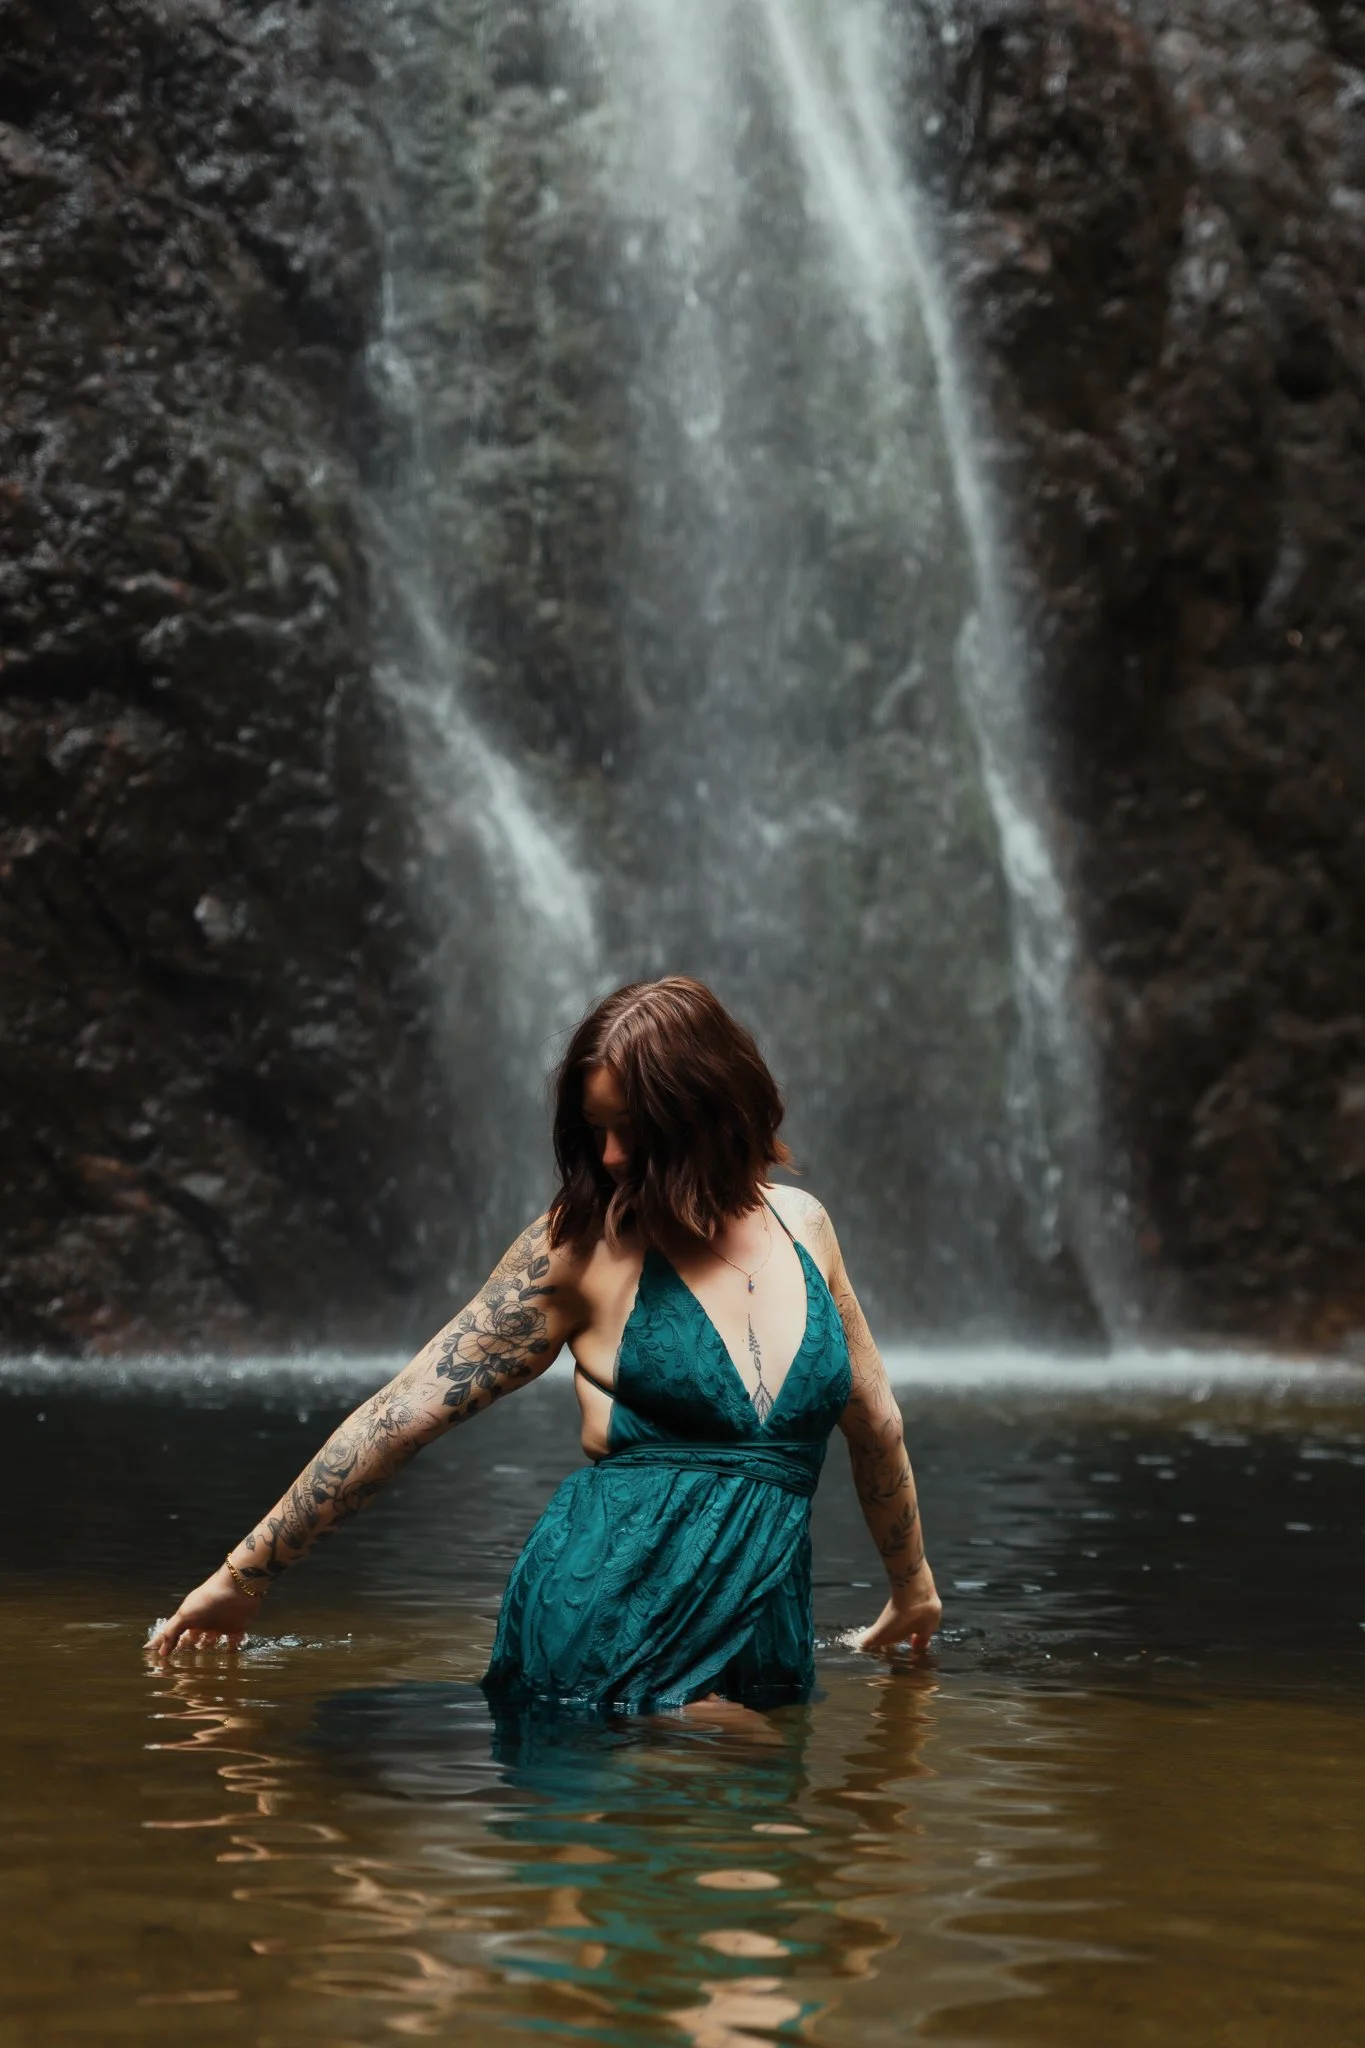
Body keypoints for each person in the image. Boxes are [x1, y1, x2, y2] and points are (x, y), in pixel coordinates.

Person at [149, 977, 942, 1708]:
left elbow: (874, 1420)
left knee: (752, 1797)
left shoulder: (803, 1226)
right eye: (595, 1131)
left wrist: (912, 1590)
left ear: (708, 1112)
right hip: (608, 1620)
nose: (611, 1157)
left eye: (633, 1130)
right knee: (730, 1779)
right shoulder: (578, 1246)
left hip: (760, 1633)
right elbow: (405, 1412)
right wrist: (242, 1577)